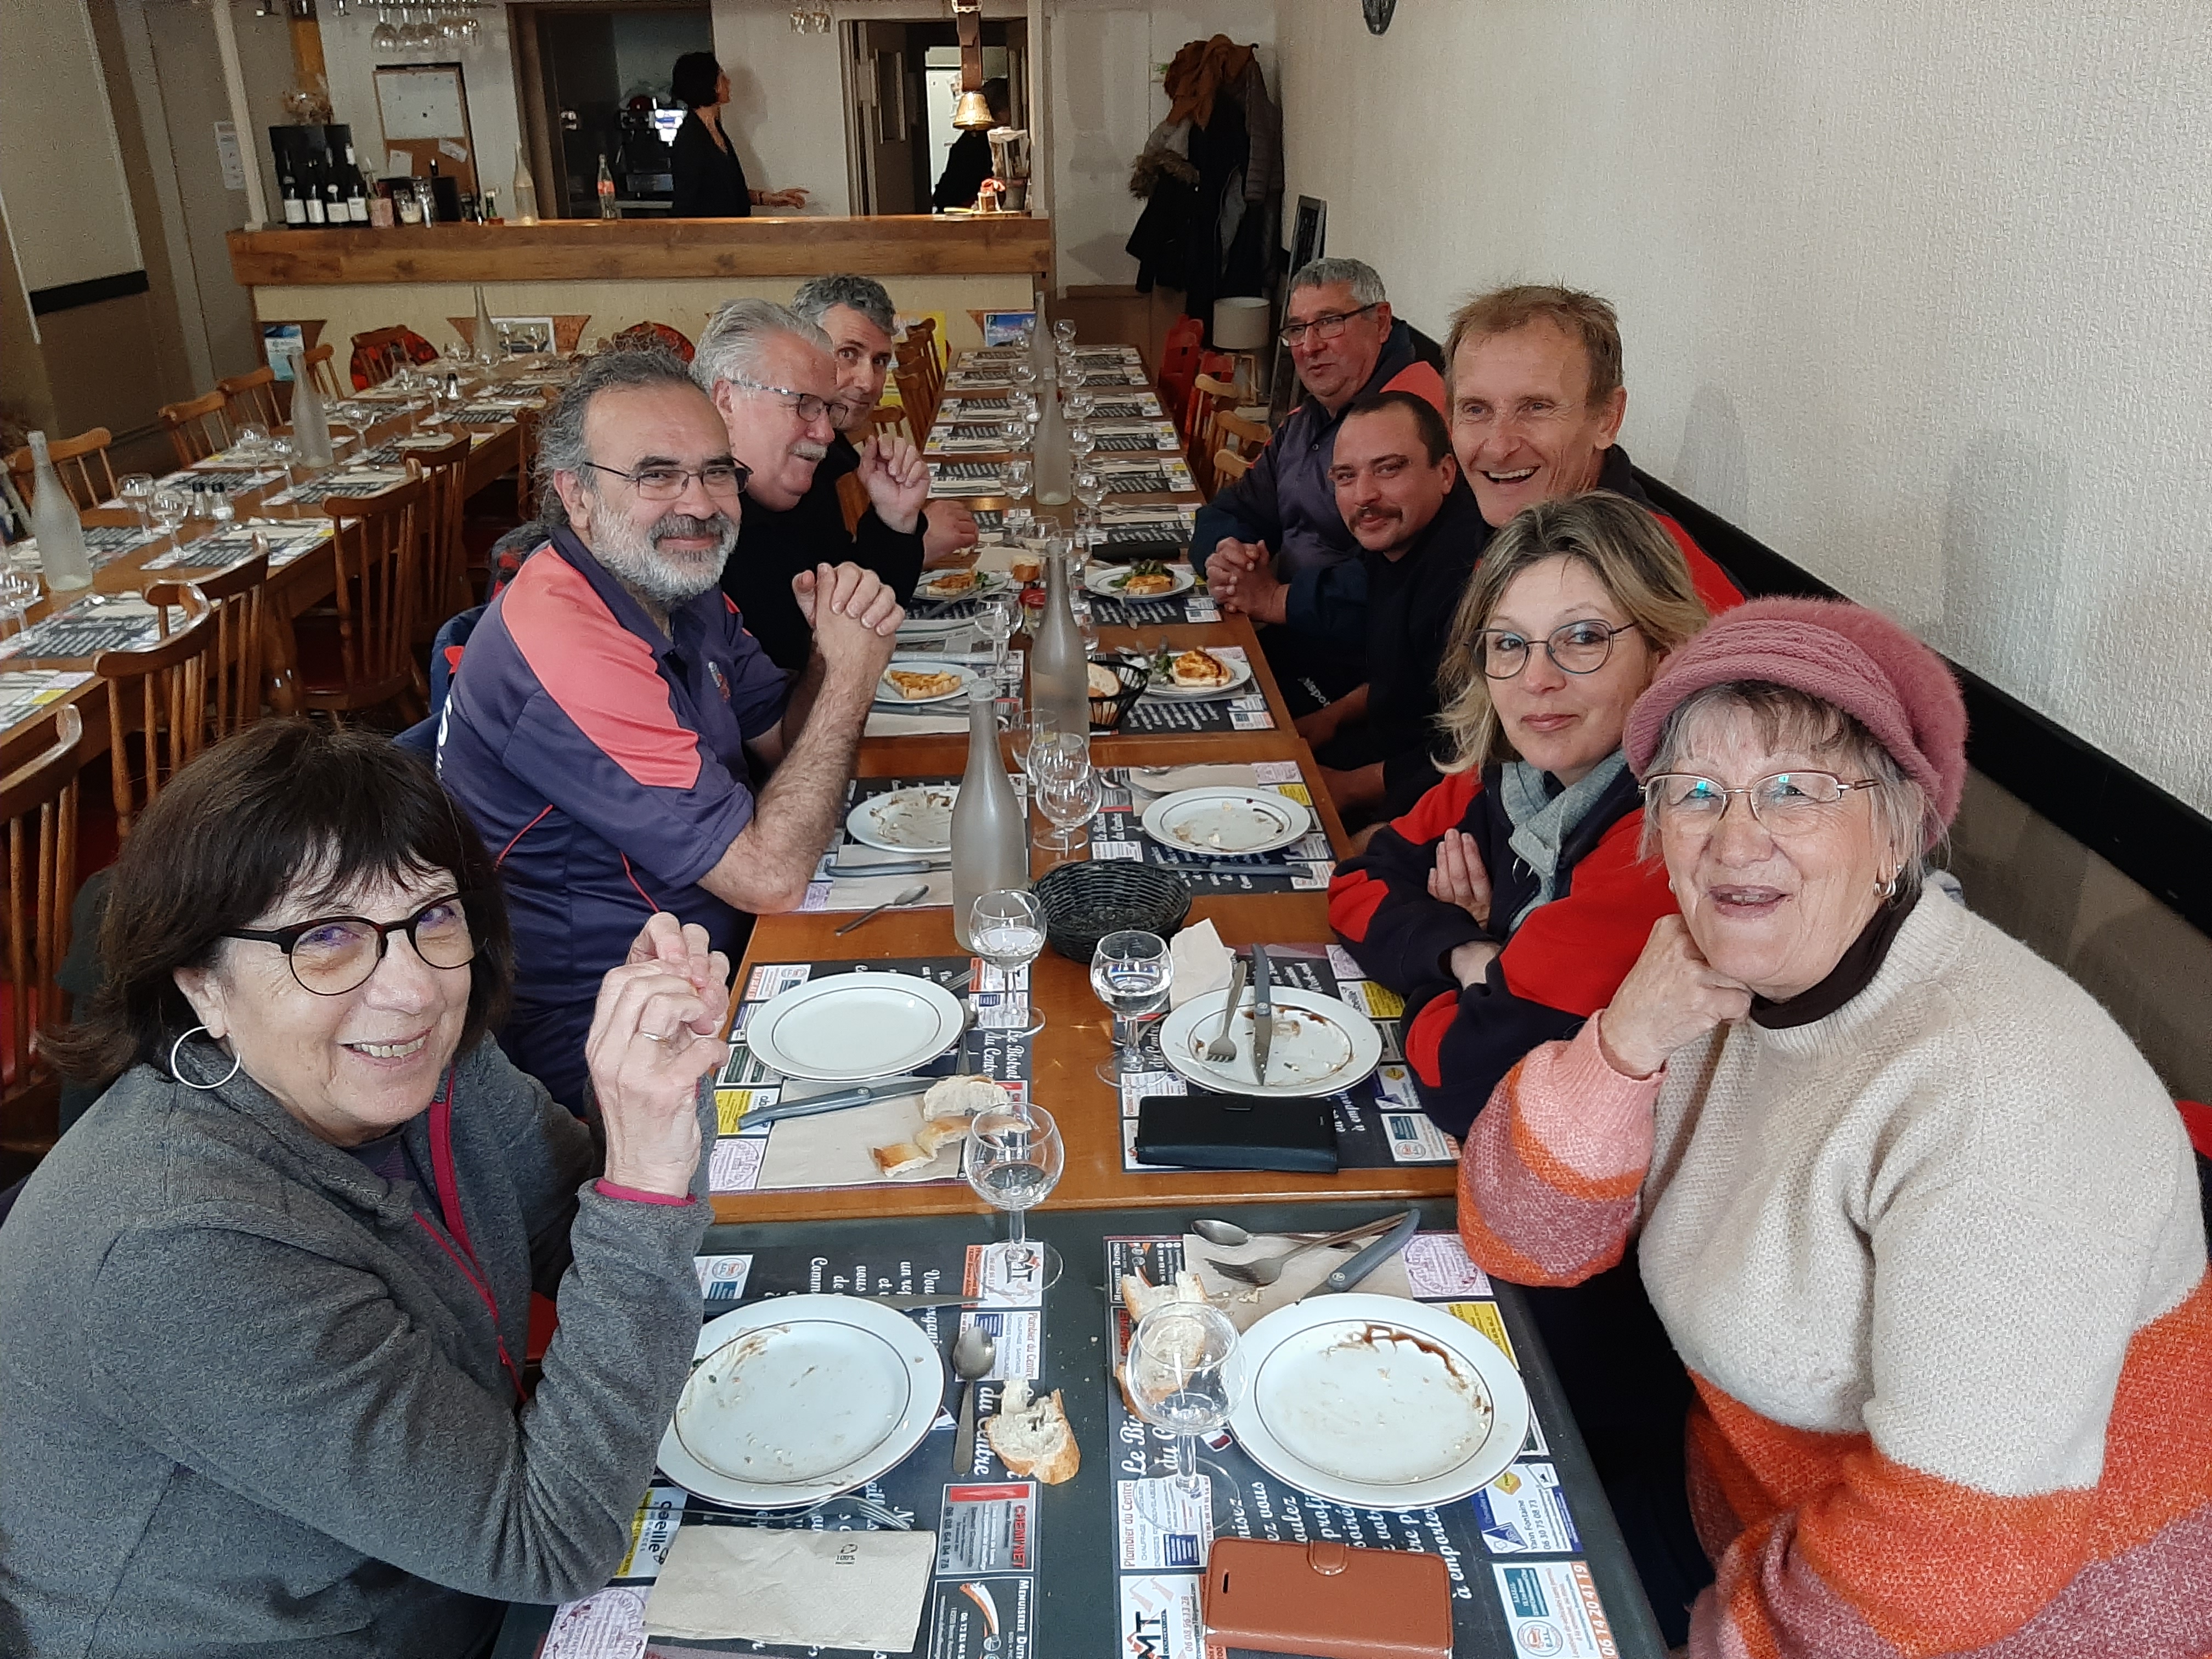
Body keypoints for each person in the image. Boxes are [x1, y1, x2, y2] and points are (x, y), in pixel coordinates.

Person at [1459, 597, 2212, 1655]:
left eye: (1795, 791)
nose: (1735, 837)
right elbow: (1520, 1233)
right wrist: (1623, 1040)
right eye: (1697, 794)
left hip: (1992, 1627)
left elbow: (1959, 1549)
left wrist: (1723, 1634)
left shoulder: (2001, 1087)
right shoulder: (1710, 980)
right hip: (1737, 1536)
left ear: (1898, 825)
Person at [0, 720, 729, 1655]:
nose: (413, 990)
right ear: (203, 985)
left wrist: (660, 1090)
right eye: (327, 937)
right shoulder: (173, 1246)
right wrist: (645, 1180)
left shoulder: (430, 1068)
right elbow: (546, 1542)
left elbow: (595, 1234)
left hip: (451, 1559)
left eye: (432, 916)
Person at [438, 347, 898, 1110]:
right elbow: (769, 877)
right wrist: (852, 675)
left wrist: (829, 647)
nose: (701, 502)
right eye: (657, 475)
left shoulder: (677, 585)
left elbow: (783, 745)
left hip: (731, 953)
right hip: (610, 1036)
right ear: (575, 495)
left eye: (718, 472)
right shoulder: (566, 641)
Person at [1329, 490, 1709, 1138]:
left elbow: (1465, 1078)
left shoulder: (1666, 835)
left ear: (1663, 650)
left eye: (1583, 638)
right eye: (1509, 644)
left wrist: (1455, 965)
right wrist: (1466, 953)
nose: (1537, 679)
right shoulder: (1507, 775)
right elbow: (1355, 887)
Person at [1197, 257, 1446, 713]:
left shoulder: (1415, 419)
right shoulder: (1308, 417)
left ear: (1382, 322)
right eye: (1296, 329)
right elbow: (1232, 509)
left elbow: (1397, 583)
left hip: (1355, 683)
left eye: (1329, 323)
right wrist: (1226, 556)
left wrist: (1275, 599)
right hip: (1283, 644)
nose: (1309, 346)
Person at [696, 298, 929, 672]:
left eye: (826, 409)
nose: (824, 433)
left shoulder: (804, 492)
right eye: (803, 404)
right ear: (727, 400)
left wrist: (893, 520)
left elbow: (859, 615)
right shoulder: (693, 533)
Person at [1295, 390, 1487, 825]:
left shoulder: (1466, 580)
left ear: (1445, 472)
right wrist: (1334, 715)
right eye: (1345, 476)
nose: (1364, 495)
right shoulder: (1392, 540)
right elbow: (1407, 677)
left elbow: (1471, 748)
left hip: (1435, 796)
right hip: (1382, 747)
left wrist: (1348, 787)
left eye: (1388, 469)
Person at [788, 274, 979, 568]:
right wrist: (919, 547)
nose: (868, 382)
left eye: (879, 361)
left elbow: (844, 581)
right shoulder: (782, 462)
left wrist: (898, 523)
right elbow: (824, 604)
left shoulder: (827, 452)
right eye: (848, 353)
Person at [669, 52, 808, 218]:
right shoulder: (690, 140)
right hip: (714, 240)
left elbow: (726, 192)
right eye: (722, 77)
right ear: (709, 84)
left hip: (732, 235)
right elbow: (686, 203)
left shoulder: (715, 129)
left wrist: (769, 198)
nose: (728, 82)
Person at [930, 77, 1011, 211]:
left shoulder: (973, 138)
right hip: (958, 209)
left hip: (951, 202)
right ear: (999, 112)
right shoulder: (979, 141)